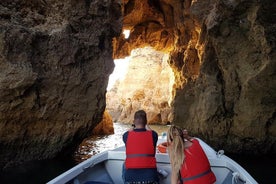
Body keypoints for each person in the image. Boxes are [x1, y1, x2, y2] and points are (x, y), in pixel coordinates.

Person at [122, 110, 159, 184]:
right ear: (146, 122)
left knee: (124, 164)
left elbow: (129, 132)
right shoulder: (153, 135)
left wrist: (132, 127)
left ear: (134, 121)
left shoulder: (126, 135)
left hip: (131, 179)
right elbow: (150, 131)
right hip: (150, 178)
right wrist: (147, 126)